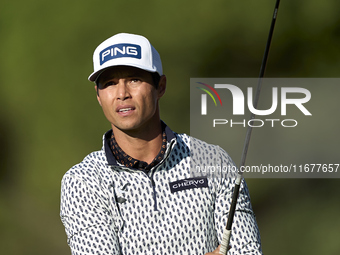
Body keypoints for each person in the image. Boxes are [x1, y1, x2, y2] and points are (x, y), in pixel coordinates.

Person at [60, 33, 262, 255]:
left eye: (134, 79)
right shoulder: (83, 181)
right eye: (109, 83)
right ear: (98, 96)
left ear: (161, 87)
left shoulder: (214, 161)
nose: (122, 94)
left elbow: (247, 252)